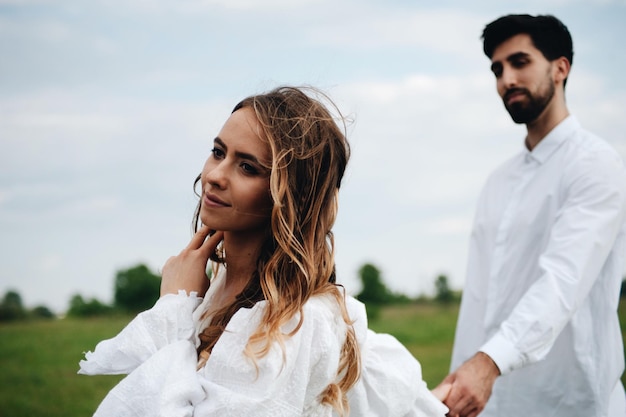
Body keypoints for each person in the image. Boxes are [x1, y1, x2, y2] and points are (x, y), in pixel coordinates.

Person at [78, 86, 448, 417]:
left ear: (288, 194)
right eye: (217, 152)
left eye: (247, 167)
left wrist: (175, 306)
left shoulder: (296, 321)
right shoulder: (214, 288)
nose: (215, 175)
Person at [435, 14, 626, 417]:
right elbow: (478, 303)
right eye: (497, 69)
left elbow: (562, 282)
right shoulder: (497, 182)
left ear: (561, 68)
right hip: (493, 403)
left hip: (570, 402)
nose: (506, 80)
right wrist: (463, 375)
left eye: (520, 62)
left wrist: (488, 362)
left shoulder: (595, 164)